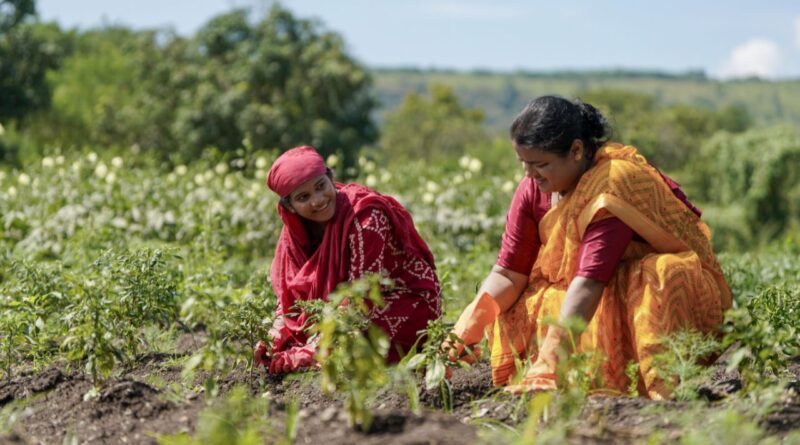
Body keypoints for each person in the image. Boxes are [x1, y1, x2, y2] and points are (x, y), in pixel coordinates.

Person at [446, 96, 731, 399]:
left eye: (541, 164)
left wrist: (550, 361)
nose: (529, 175)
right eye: (524, 164)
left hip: (633, 294)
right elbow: (509, 272)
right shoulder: (532, 188)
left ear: (577, 151)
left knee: (661, 273)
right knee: (520, 303)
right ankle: (554, 378)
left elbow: (591, 280)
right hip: (586, 293)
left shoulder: (611, 185)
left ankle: (654, 386)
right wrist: (465, 329)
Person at [255, 146, 442, 374]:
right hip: (339, 310)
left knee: (354, 340)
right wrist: (274, 335)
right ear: (289, 206)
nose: (317, 201)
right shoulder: (293, 234)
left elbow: (360, 301)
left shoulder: (366, 219)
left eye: (321, 186)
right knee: (285, 345)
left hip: (399, 301)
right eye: (303, 197)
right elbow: (290, 298)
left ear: (331, 179)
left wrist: (308, 351)